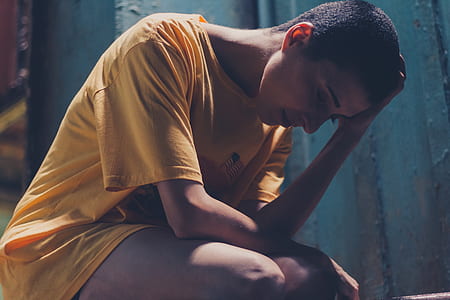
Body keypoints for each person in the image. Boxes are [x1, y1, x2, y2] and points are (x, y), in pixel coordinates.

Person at [0, 1, 405, 299]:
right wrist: (312, 254)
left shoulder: (276, 125)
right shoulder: (162, 47)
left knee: (308, 281)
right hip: (59, 249)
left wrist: (350, 135)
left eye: (332, 117)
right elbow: (189, 215)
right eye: (321, 96)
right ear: (297, 39)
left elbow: (260, 231)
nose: (313, 124)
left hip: (151, 253)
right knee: (254, 276)